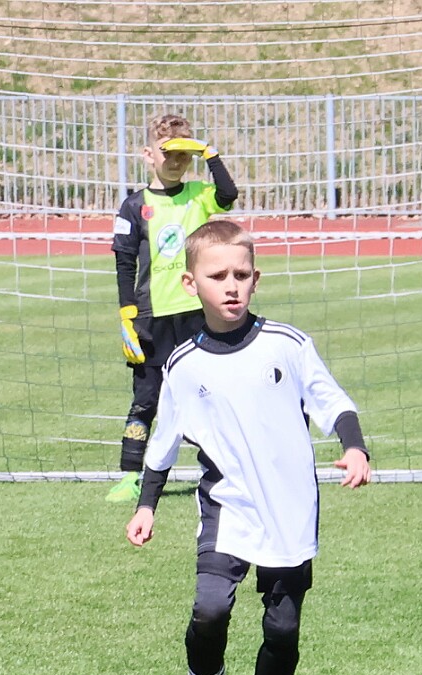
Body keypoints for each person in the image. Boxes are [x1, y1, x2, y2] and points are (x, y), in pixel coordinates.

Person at [127, 219, 372, 675]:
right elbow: (163, 442)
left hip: (289, 509)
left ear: (256, 279)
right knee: (210, 609)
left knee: (282, 627)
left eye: (241, 274)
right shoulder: (184, 365)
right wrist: (147, 505)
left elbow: (333, 400)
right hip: (227, 505)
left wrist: (355, 447)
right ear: (191, 284)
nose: (231, 286)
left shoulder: (287, 345)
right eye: (217, 276)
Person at [109, 113, 239, 502]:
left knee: (211, 390)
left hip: (197, 313)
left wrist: (210, 153)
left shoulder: (198, 194)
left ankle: (224, 467)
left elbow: (228, 194)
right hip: (151, 317)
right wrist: (127, 315)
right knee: (146, 398)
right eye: (169, 153)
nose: (177, 161)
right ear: (148, 154)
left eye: (185, 154)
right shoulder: (134, 206)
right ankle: (130, 475)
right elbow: (124, 264)